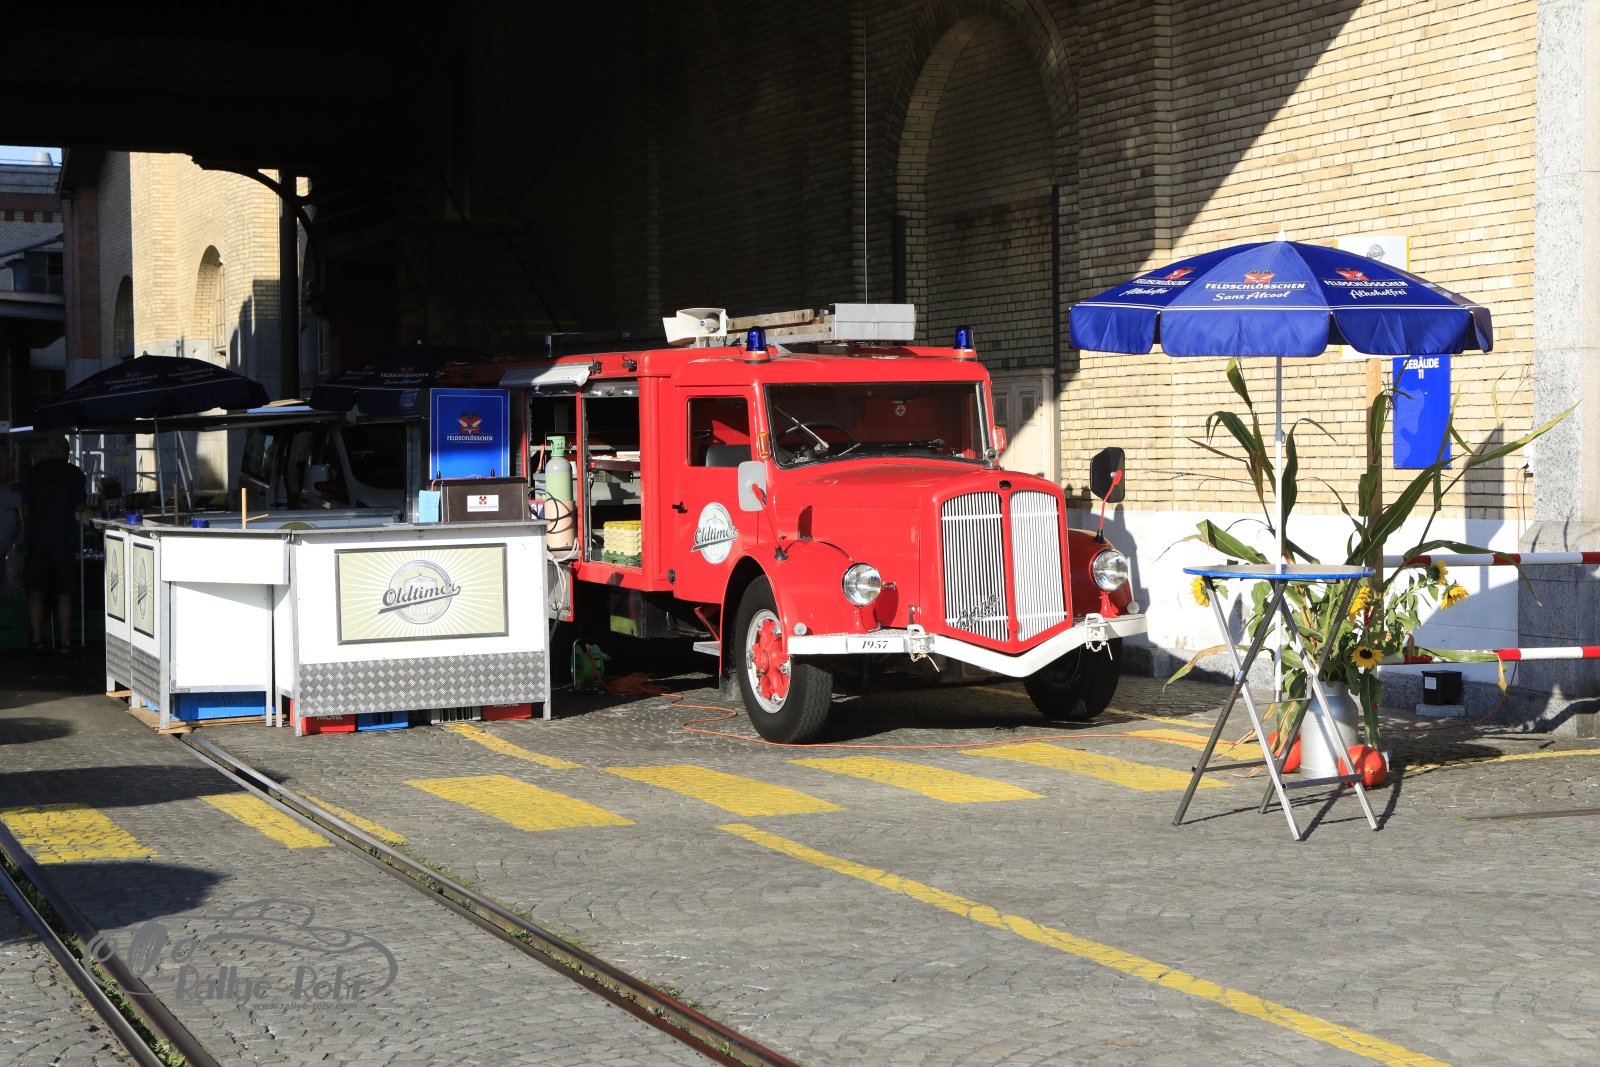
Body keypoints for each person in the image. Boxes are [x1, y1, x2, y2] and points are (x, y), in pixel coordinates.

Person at [19, 437, 88, 652]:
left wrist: (29, 529)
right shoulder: (74, 474)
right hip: (63, 540)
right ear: (65, 452)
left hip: (37, 540)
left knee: (35, 591)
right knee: (64, 592)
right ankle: (65, 642)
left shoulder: (33, 472)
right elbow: (80, 506)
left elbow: (25, 507)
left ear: (48, 452)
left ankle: (38, 639)